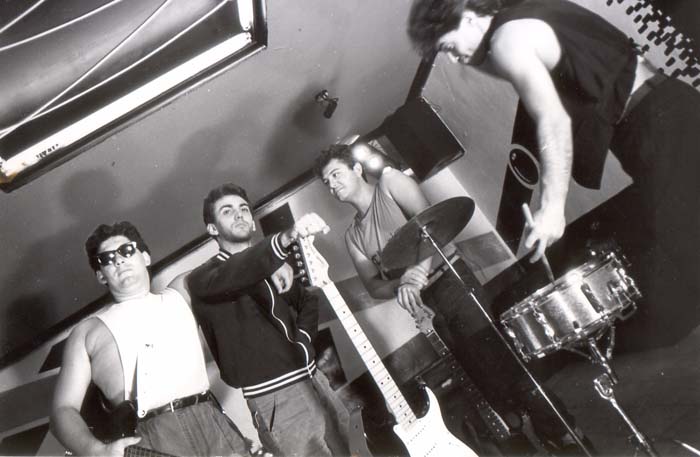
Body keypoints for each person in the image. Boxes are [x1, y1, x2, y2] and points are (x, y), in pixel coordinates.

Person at [406, 0, 700, 342]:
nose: (454, 59)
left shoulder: (507, 41)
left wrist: (551, 208)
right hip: (670, 107)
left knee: (687, 246)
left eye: (448, 47)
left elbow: (553, 119)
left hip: (655, 127)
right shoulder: (527, 15)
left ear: (469, 18)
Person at [313, 144, 586, 454]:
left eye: (336, 174)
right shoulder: (352, 236)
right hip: (423, 303)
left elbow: (435, 227)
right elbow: (375, 287)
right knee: (479, 378)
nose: (332, 185)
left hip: (451, 280)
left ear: (357, 168)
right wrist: (405, 284)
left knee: (505, 362)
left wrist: (416, 273)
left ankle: (564, 434)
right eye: (327, 182)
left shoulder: (390, 183)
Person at [51, 221, 251, 457]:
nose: (119, 260)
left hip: (212, 423)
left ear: (145, 257)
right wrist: (96, 451)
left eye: (126, 250)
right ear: (101, 276)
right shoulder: (86, 332)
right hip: (149, 439)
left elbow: (236, 267)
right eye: (107, 258)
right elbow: (63, 409)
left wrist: (275, 266)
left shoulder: (182, 292)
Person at [186, 183, 350, 457]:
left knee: (354, 450)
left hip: (315, 379)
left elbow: (308, 299)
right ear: (212, 228)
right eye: (227, 211)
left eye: (244, 209)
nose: (239, 214)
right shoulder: (203, 278)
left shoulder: (270, 264)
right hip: (275, 397)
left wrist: (303, 340)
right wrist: (282, 241)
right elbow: (238, 271)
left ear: (252, 221)